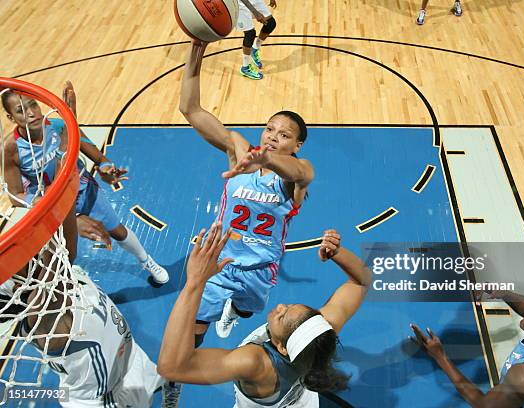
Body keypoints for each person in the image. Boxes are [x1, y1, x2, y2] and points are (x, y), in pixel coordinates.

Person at [179, 40, 314, 342]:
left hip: (260, 268)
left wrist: (269, 159)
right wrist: (195, 50)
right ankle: (177, 380)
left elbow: (300, 172)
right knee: (194, 328)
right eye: (270, 129)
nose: (273, 137)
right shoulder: (240, 151)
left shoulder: (298, 173)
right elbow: (190, 109)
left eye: (284, 135)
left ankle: (234, 312)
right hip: (219, 260)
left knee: (248, 309)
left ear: (297, 145)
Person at [158, 225, 370, 407]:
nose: (279, 306)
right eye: (288, 306)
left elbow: (172, 367)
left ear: (282, 348)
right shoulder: (317, 335)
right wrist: (337, 253)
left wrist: (195, 281)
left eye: (282, 315)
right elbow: (363, 281)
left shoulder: (256, 363)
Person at [0, 205, 178, 407]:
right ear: (16, 285)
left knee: (148, 371)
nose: (28, 247)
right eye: (14, 258)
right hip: (106, 397)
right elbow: (60, 249)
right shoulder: (43, 320)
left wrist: (67, 198)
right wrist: (59, 208)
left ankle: (166, 383)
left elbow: (62, 249)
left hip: (125, 357)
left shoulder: (63, 273)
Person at [1, 82, 169, 284]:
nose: (30, 113)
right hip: (51, 205)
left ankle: (146, 260)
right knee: (62, 253)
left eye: (33, 105)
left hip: (83, 189)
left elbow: (100, 158)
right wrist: (42, 203)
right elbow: (15, 195)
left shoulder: (60, 126)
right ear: (11, 118)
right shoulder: (11, 149)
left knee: (118, 231)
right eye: (21, 110)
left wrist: (107, 169)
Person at [237, 0, 279, 79]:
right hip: (240, 3)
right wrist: (255, 13)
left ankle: (254, 49)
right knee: (250, 34)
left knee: (270, 23)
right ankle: (245, 68)